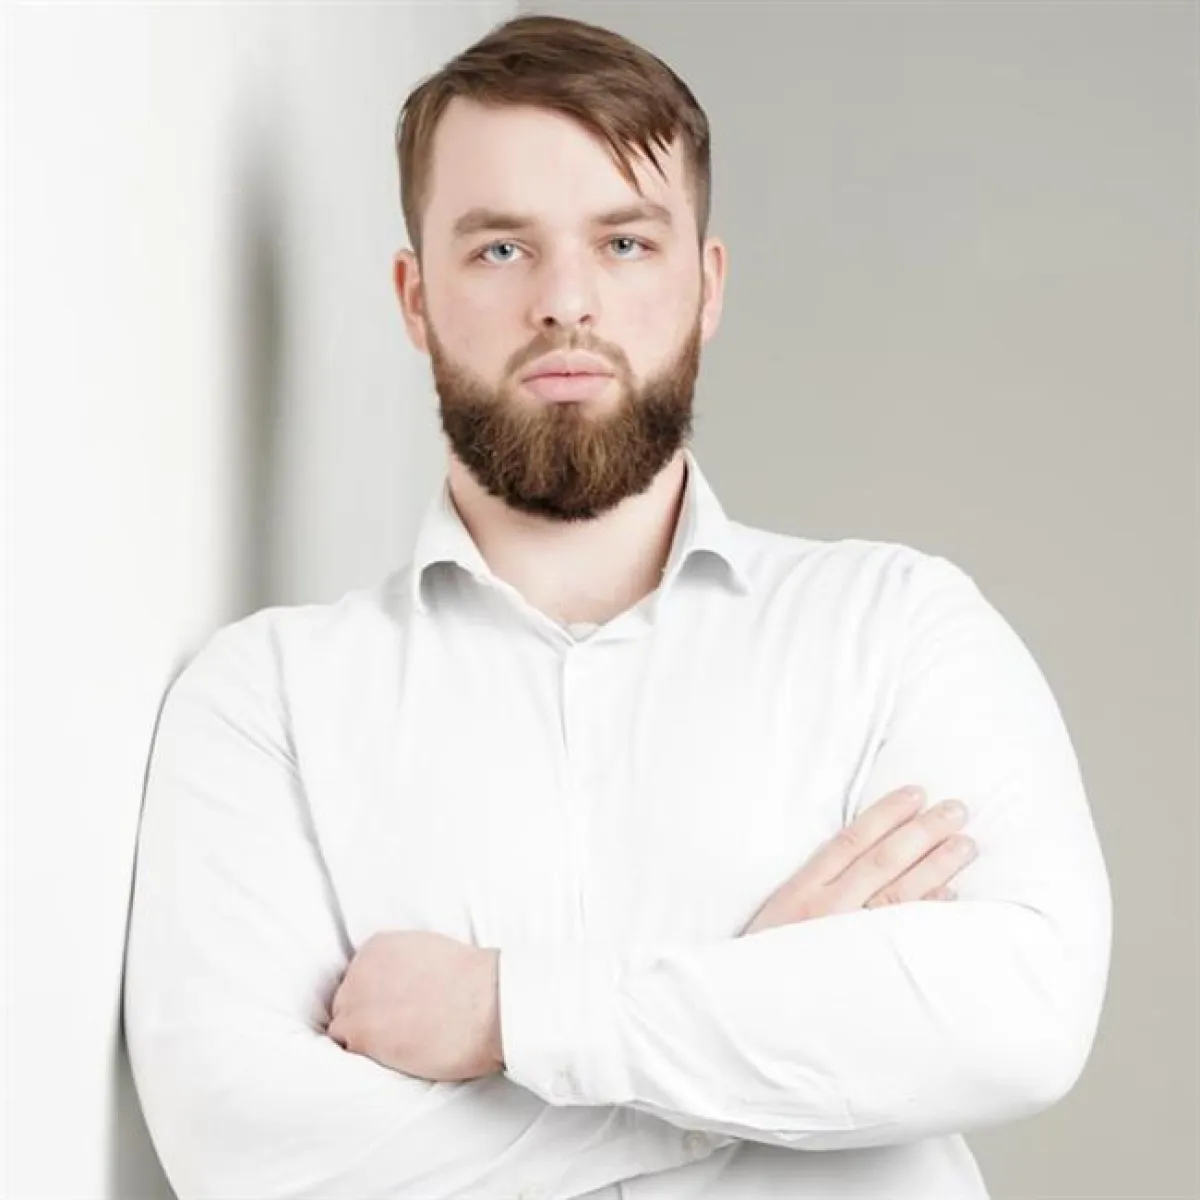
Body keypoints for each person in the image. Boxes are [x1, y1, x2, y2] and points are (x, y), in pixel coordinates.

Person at [122, 14, 1112, 1200]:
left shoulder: (897, 629)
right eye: (501, 248)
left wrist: (505, 1014)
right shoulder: (266, 701)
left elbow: (1021, 1015)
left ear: (707, 286)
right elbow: (245, 1148)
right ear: (415, 297)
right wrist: (758, 1042)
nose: (566, 302)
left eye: (626, 243)